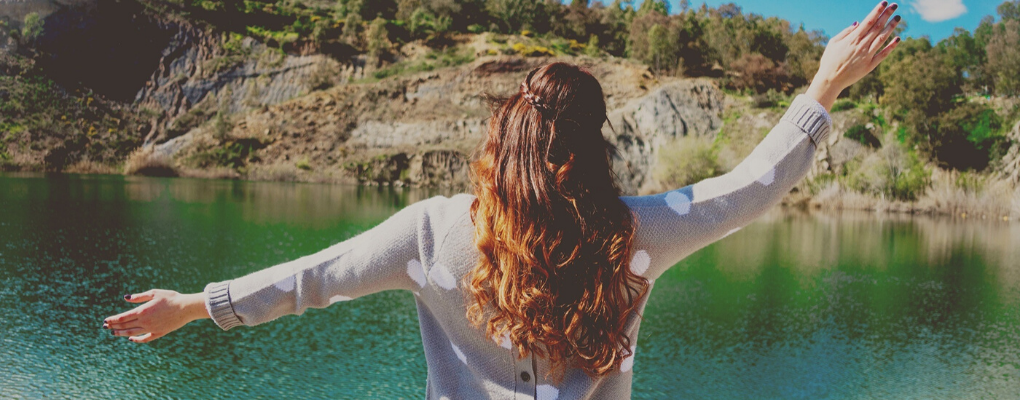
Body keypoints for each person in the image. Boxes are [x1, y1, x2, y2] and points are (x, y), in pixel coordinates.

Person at [103, 2, 903, 398]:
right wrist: (824, 84)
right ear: (593, 146)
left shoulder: (433, 232)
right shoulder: (635, 234)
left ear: (505, 134)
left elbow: (313, 280)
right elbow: (750, 187)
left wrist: (194, 304)